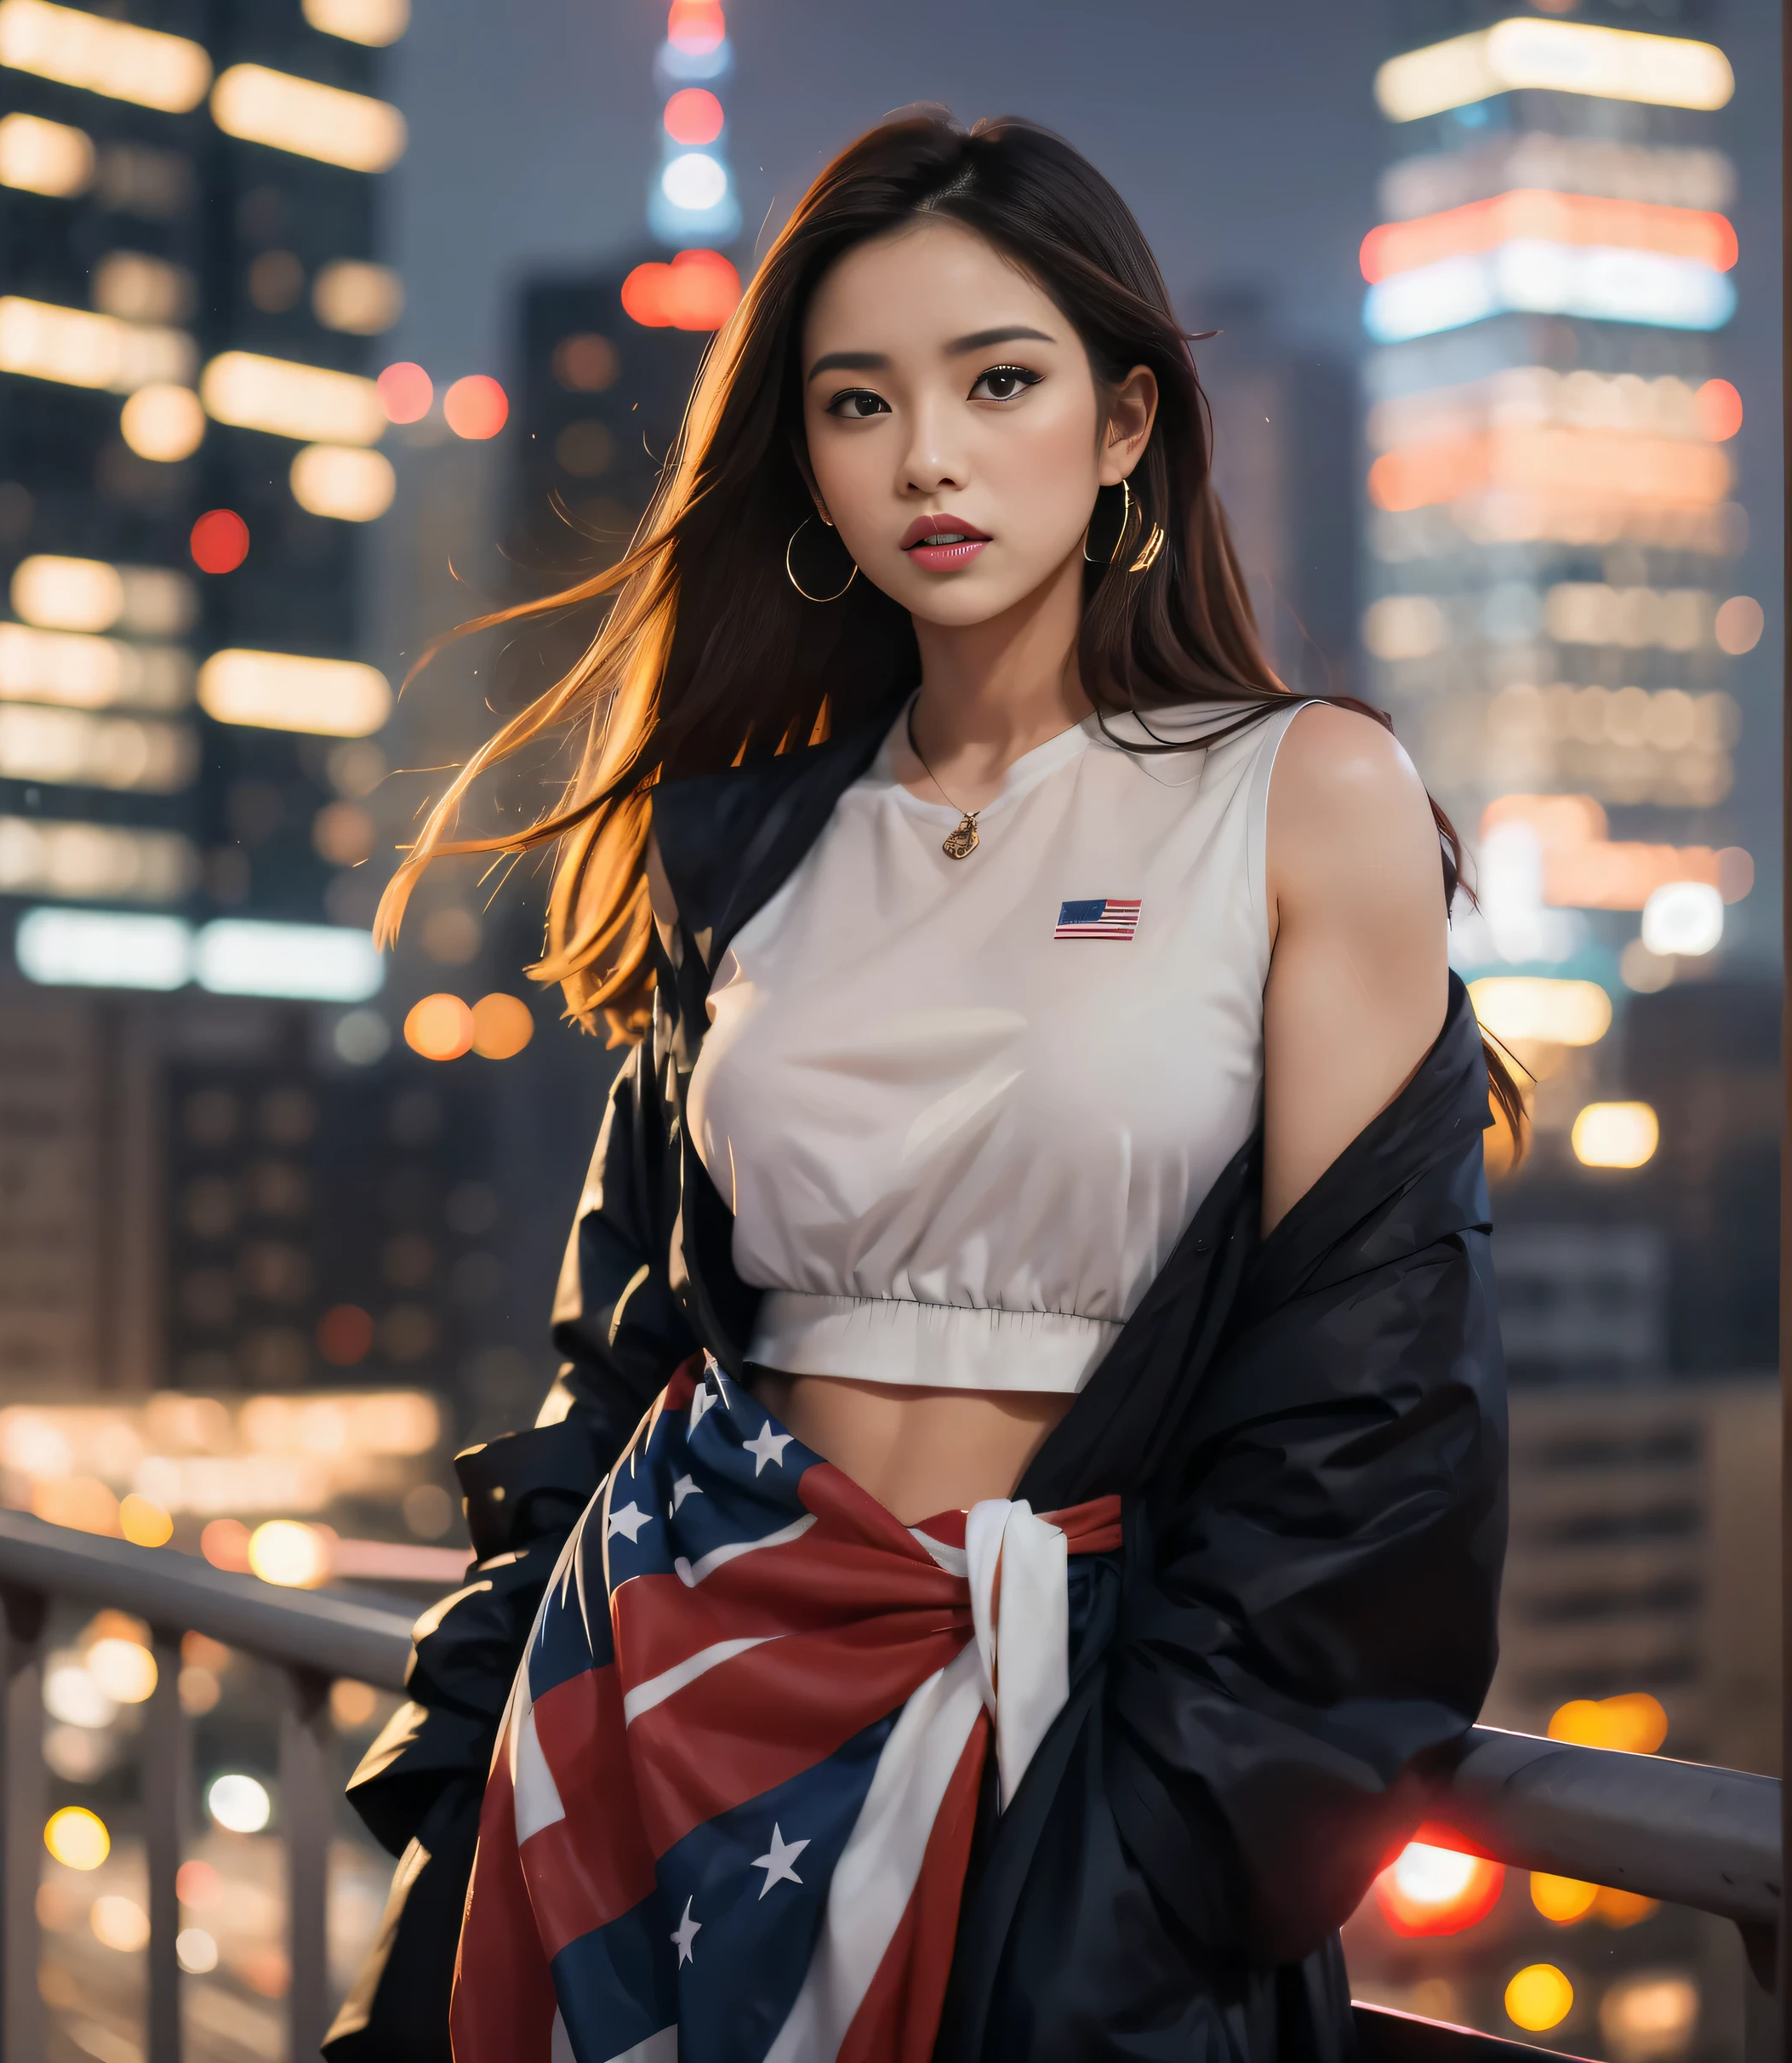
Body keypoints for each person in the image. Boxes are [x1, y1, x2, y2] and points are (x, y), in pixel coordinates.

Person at [326, 114, 1517, 2063]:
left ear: (1127, 424)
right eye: (858, 402)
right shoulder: (750, 845)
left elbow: (1381, 1431)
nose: (930, 460)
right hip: (652, 1716)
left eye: (1001, 382)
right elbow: (619, 1363)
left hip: (1049, 1762)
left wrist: (1139, 1882)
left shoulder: (1305, 798)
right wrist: (472, 1780)